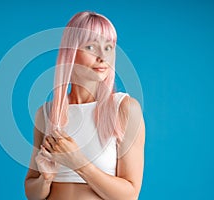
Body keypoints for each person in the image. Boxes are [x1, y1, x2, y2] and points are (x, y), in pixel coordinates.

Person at [24, 11, 145, 200]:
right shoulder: (47, 113)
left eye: (108, 47)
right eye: (91, 47)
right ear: (70, 52)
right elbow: (32, 192)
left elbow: (130, 195)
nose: (102, 56)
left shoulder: (125, 108)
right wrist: (45, 179)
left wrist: (78, 163)